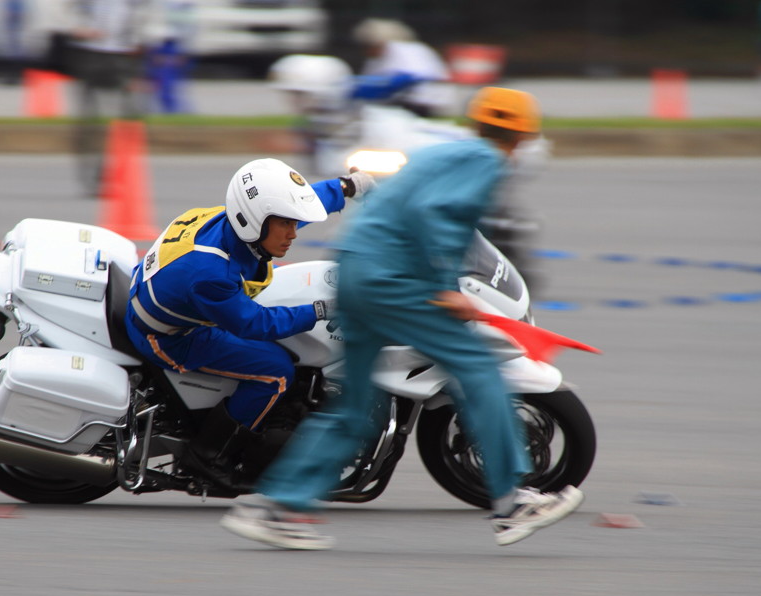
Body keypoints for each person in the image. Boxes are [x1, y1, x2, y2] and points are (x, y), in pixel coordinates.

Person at [221, 88, 584, 551]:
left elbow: (397, 205)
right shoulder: (486, 162)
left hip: (355, 269)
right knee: (476, 366)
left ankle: (274, 506)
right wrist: (444, 287)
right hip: (391, 280)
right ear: (519, 138)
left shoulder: (444, 153)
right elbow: (438, 220)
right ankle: (513, 500)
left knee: (356, 405)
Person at [125, 158, 375, 490]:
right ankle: (208, 456)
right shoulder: (211, 273)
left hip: (174, 299)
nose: (293, 234)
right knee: (276, 370)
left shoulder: (236, 224)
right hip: (166, 336)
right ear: (255, 222)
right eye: (285, 225)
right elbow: (254, 324)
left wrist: (348, 187)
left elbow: (295, 203)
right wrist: (320, 309)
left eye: (294, 223)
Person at [65, 0, 165, 195]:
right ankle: (94, 178)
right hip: (91, 53)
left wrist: (145, 50)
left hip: (126, 54)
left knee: (132, 118)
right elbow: (66, 8)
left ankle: (122, 175)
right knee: (92, 122)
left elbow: (149, 14)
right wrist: (76, 27)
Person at [350, 18, 454, 118]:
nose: (365, 51)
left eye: (367, 46)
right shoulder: (374, 60)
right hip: (398, 106)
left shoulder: (406, 50)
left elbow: (415, 78)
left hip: (425, 106)